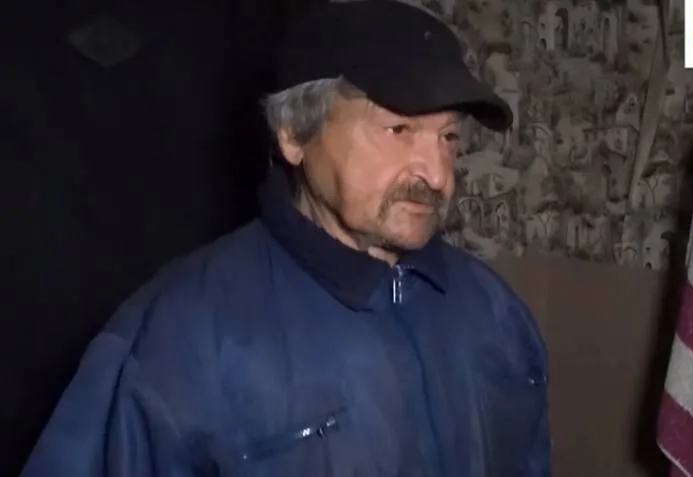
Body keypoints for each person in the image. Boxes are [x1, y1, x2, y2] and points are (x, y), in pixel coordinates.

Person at [20, 1, 550, 476]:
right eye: (398, 130)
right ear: (295, 133)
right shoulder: (175, 340)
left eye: (449, 136)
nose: (436, 174)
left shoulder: (495, 314)